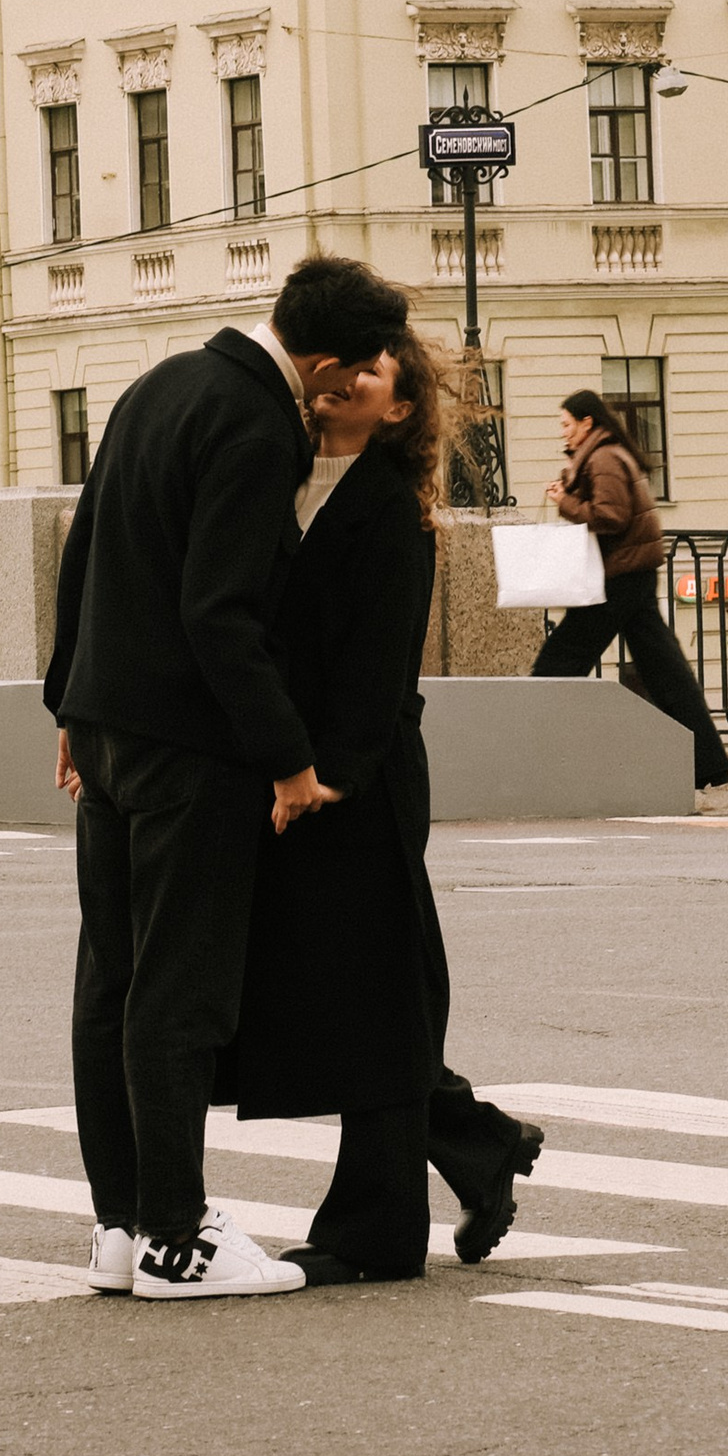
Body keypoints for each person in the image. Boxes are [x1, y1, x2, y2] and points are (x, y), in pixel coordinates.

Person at [46, 252, 409, 1301]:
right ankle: (175, 1238)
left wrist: (70, 702)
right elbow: (222, 612)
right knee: (178, 991)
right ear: (327, 360)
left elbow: (87, 547)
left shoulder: (160, 382)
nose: (351, 389)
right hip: (187, 746)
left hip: (107, 728)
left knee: (110, 985)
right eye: (358, 368)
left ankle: (119, 1225)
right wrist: (291, 760)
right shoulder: (258, 427)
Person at [229, 328, 543, 1286]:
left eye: (371, 372)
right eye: (342, 365)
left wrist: (328, 775)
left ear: (398, 407)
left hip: (353, 780)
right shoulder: (286, 473)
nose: (341, 382)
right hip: (308, 773)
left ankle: (380, 1221)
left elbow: (379, 668)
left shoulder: (394, 510)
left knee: (373, 988)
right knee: (353, 991)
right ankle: (472, 1138)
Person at [530, 390, 728, 793]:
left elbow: (611, 515)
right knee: (664, 670)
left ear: (587, 423)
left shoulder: (603, 457)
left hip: (618, 578)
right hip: (631, 575)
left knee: (558, 661)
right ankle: (706, 762)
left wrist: (565, 501)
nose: (564, 433)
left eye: (567, 424)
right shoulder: (606, 454)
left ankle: (533, 753)